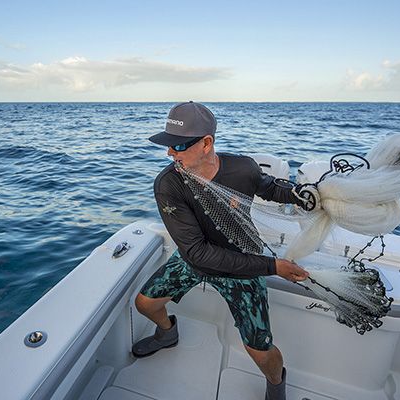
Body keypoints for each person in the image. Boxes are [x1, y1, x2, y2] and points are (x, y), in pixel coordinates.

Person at [133, 101, 310, 400]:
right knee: (145, 304)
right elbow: (197, 254)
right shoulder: (168, 184)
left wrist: (303, 196)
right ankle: (167, 333)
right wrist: (273, 267)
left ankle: (276, 387)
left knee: (260, 350)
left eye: (177, 146)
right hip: (196, 259)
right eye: (168, 146)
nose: (169, 154)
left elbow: (270, 188)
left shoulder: (243, 168)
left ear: (206, 143)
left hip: (244, 262)